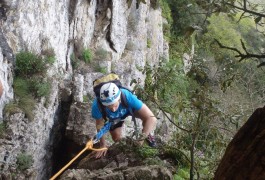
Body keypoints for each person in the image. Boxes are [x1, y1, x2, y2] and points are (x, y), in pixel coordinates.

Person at [91, 82, 157, 158]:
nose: (113, 109)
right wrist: (102, 145)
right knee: (117, 139)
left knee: (147, 118)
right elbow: (99, 125)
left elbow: (152, 118)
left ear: (119, 99)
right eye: (109, 107)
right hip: (114, 118)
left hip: (129, 109)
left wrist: (141, 140)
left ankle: (148, 134)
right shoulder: (97, 106)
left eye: (115, 105)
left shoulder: (126, 95)